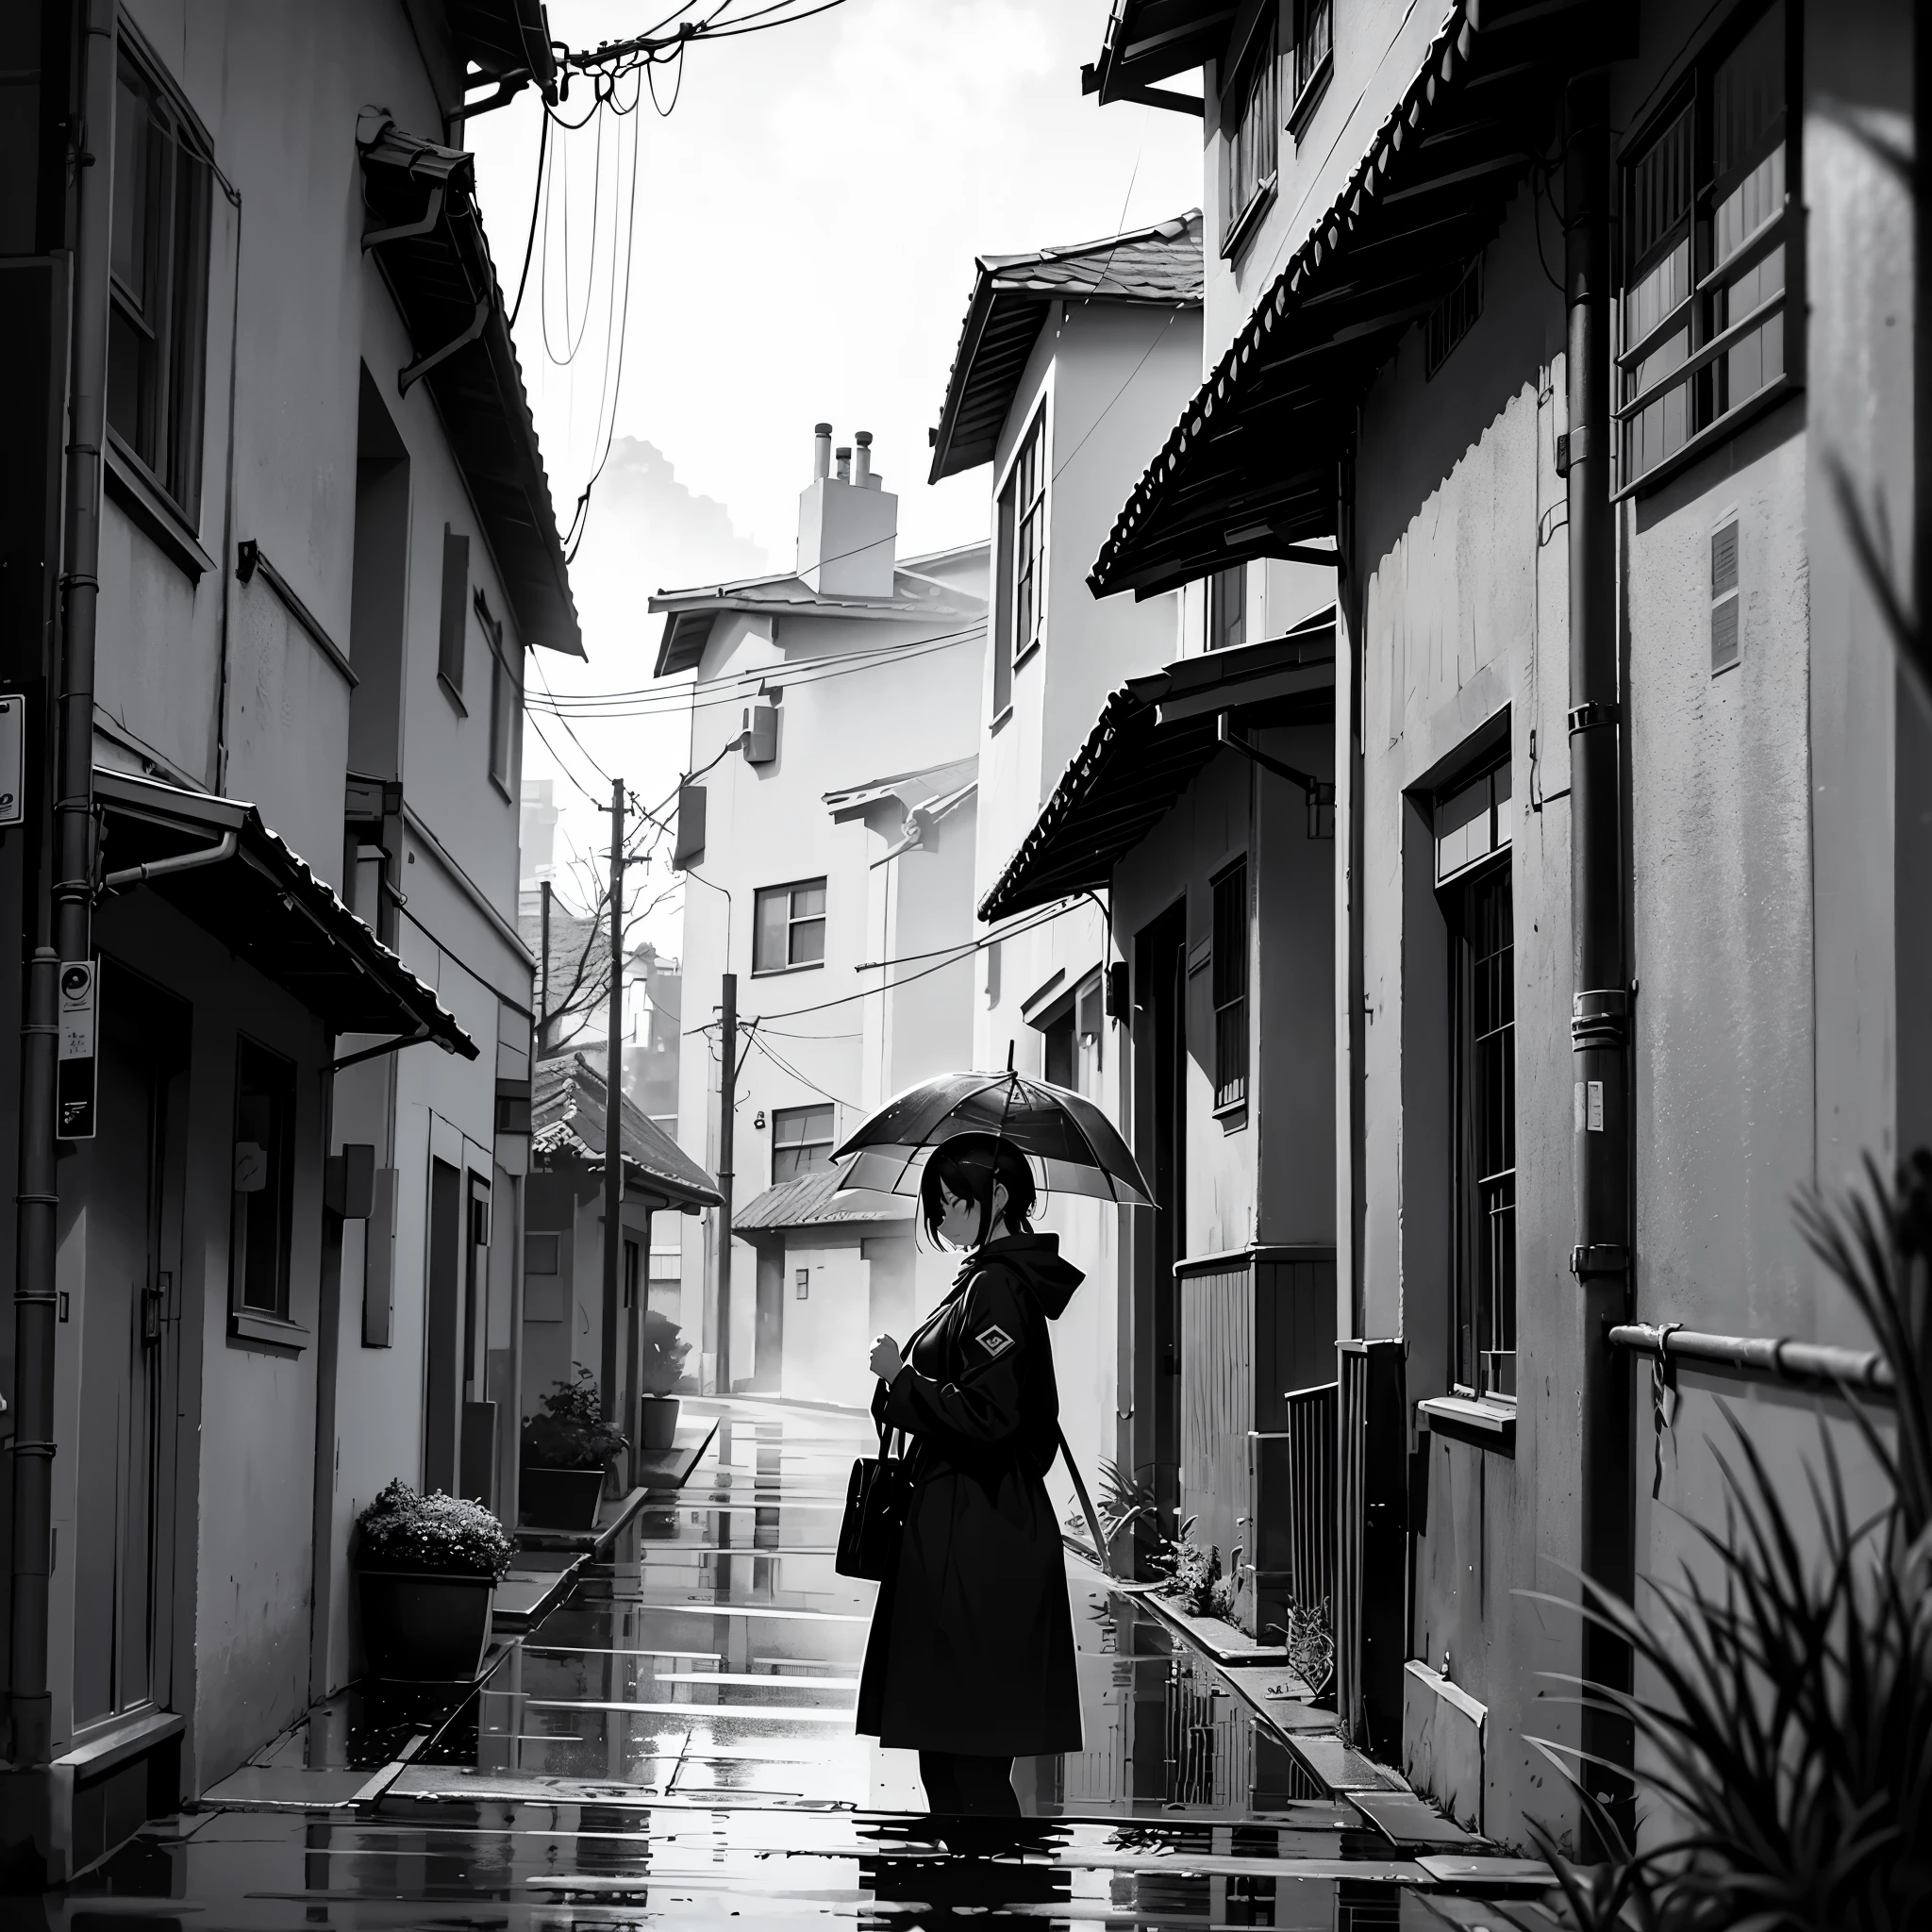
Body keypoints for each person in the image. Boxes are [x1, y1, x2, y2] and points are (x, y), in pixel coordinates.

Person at [853, 1132, 1084, 1818]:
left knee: (965, 1756)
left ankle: (987, 1898)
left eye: (952, 1201)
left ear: (999, 1196)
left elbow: (990, 1418)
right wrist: (905, 1383)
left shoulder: (995, 1289)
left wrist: (901, 1379)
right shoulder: (986, 1281)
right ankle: (978, 1895)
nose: (942, 1218)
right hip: (970, 1527)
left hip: (977, 1532)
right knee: (956, 1745)